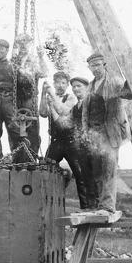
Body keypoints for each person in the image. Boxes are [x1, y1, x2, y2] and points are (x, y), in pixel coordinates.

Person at [81, 53, 132, 215]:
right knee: (96, 171)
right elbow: (85, 111)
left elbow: (128, 94)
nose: (96, 68)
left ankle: (108, 207)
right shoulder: (89, 87)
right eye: (92, 66)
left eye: (98, 65)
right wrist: (85, 131)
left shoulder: (115, 82)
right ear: (89, 68)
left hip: (110, 132)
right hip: (93, 134)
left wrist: (130, 80)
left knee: (109, 170)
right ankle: (99, 205)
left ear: (105, 65)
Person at [39, 71, 88, 209]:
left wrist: (52, 97)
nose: (60, 86)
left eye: (63, 83)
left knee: (80, 173)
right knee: (46, 169)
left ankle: (86, 206)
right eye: (57, 83)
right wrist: (43, 94)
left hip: (72, 142)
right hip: (56, 142)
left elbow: (63, 111)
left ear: (67, 85)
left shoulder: (71, 97)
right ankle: (47, 203)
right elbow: (42, 113)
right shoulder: (51, 96)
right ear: (54, 84)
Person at [11, 33, 47, 163]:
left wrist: (41, 57)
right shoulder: (14, 60)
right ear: (18, 45)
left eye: (26, 42)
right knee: (15, 128)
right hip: (16, 98)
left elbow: (44, 72)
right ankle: (17, 158)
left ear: (30, 44)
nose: (23, 45)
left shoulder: (34, 59)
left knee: (32, 128)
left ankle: (31, 158)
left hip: (29, 97)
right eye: (21, 43)